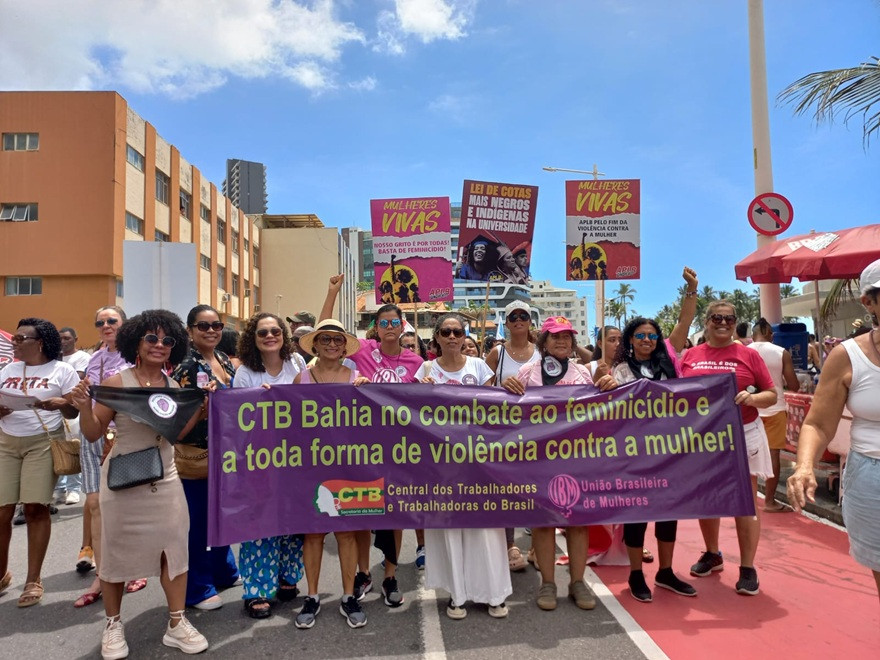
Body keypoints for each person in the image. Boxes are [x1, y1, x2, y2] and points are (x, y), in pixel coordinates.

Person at [71, 309, 208, 658]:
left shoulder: (176, 387)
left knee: (174, 552)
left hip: (166, 479)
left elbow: (174, 435)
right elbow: (92, 433)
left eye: (167, 340)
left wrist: (199, 410)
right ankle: (113, 625)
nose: (159, 345)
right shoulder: (118, 383)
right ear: (136, 341)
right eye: (151, 338)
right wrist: (84, 408)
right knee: (114, 556)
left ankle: (176, 623)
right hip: (122, 481)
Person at [320, 273, 423, 607]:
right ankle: (364, 572)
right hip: (361, 449)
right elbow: (325, 335)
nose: (390, 327)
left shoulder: (417, 362)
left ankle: (390, 575)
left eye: (395, 322)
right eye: (383, 322)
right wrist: (332, 292)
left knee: (395, 516)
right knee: (363, 509)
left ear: (403, 325)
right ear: (376, 328)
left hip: (399, 452)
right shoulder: (363, 351)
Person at [502, 315, 616, 612]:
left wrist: (608, 384)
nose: (562, 341)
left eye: (567, 336)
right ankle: (548, 583)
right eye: (555, 336)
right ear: (544, 341)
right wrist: (507, 385)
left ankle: (577, 582)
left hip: (578, 459)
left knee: (577, 523)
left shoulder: (583, 373)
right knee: (543, 523)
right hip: (539, 461)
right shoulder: (529, 372)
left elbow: (605, 403)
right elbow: (505, 405)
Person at [788, 258, 880, 603]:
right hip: (872, 477)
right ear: (869, 303)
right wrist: (804, 466)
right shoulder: (848, 356)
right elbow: (816, 423)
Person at [417, 313, 511, 619]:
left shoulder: (479, 367)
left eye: (458, 331)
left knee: (485, 529)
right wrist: (422, 392)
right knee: (450, 528)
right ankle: (456, 595)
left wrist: (508, 385)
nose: (453, 336)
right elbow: (410, 413)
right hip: (440, 466)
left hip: (478, 464)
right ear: (438, 338)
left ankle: (493, 594)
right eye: (446, 331)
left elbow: (495, 407)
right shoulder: (426, 370)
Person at [680, 301, 777, 596]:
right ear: (707, 321)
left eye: (729, 318)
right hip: (704, 437)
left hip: (744, 432)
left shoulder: (749, 355)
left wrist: (753, 400)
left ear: (735, 322)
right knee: (707, 496)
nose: (723, 322)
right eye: (717, 318)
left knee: (746, 500)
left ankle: (747, 566)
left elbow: (771, 394)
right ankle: (713, 554)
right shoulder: (690, 355)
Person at [0, 318, 80, 608]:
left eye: (21, 339)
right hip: (6, 443)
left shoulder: (62, 370)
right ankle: (1, 574)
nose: (15, 342)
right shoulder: (7, 369)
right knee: (2, 511)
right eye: (15, 338)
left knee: (35, 508)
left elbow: (73, 412)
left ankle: (33, 579)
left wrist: (61, 403)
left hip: (43, 443)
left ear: (40, 343)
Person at [292, 319, 366, 629]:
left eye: (338, 340)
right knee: (313, 533)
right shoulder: (301, 379)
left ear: (344, 345)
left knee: (347, 532)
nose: (332, 344)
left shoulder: (357, 378)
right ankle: (312, 595)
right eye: (326, 339)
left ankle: (349, 596)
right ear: (317, 344)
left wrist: (367, 394)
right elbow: (286, 420)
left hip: (347, 466)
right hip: (310, 466)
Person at [76, 306, 150, 608]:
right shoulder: (93, 358)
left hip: (123, 435)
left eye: (111, 321)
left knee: (127, 506)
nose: (105, 326)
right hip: (92, 433)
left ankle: (133, 567)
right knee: (95, 504)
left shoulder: (136, 358)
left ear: (125, 324)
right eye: (100, 322)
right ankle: (103, 574)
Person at [233, 313, 306, 619]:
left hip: (297, 457)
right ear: (254, 338)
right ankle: (257, 590)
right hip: (260, 460)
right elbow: (237, 419)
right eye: (263, 332)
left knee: (293, 521)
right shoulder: (245, 374)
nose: (270, 336)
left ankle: (288, 578)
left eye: (275, 331)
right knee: (260, 525)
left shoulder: (297, 364)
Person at [170, 305, 240, 611]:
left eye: (216, 325)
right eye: (203, 326)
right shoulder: (186, 368)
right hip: (197, 455)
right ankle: (196, 588)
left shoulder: (223, 358)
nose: (211, 331)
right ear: (189, 331)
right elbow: (179, 422)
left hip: (226, 454)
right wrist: (204, 405)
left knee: (222, 516)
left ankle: (223, 570)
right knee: (197, 524)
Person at [485, 301, 539, 573]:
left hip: (538, 432)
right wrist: (502, 387)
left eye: (523, 316)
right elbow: (482, 390)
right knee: (507, 489)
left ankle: (536, 547)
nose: (518, 320)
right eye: (513, 316)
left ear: (530, 321)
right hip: (503, 432)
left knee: (535, 487)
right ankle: (509, 545)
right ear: (506, 323)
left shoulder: (542, 352)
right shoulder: (497, 354)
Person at [749, 318, 799, 512]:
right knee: (773, 456)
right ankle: (769, 501)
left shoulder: (744, 352)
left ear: (753, 335)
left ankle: (748, 499)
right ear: (770, 333)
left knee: (746, 455)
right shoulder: (781, 353)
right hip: (775, 408)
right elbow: (793, 385)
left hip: (749, 409)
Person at [57, 325, 90, 505]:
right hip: (55, 410)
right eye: (60, 338)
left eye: (67, 338)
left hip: (74, 407)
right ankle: (59, 488)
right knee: (57, 447)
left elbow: (76, 379)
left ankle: (73, 488)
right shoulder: (54, 357)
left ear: (75, 339)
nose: (63, 342)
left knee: (73, 446)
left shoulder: (82, 357)